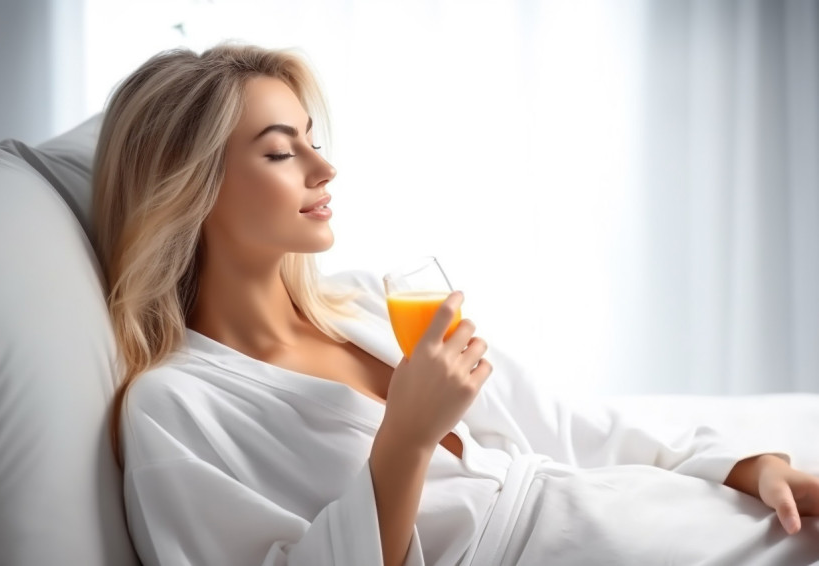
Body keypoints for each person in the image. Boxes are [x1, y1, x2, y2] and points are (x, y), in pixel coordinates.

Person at [93, 43, 819, 566]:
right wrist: (405, 439)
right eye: (282, 153)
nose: (325, 167)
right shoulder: (174, 406)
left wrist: (742, 468)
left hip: (632, 513)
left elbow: (560, 425)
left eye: (312, 140)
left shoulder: (367, 304)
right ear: (191, 189)